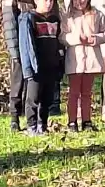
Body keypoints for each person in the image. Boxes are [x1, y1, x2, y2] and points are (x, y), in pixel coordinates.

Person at [62, 0, 105, 132]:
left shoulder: (97, 14)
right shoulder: (67, 16)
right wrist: (76, 38)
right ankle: (72, 121)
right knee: (74, 93)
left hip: (91, 59)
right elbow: (62, 36)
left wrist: (95, 38)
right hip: (75, 60)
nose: (80, 2)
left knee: (86, 93)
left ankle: (87, 121)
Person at [19, 0, 64, 135]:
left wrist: (60, 62)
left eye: (51, 1)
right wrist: (29, 68)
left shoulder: (55, 20)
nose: (48, 3)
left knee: (47, 99)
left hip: (52, 65)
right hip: (36, 67)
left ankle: (42, 125)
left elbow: (59, 43)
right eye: (45, 0)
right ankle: (31, 126)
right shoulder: (29, 19)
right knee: (33, 98)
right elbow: (26, 45)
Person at [2, 0, 37, 132]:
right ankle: (14, 117)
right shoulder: (10, 3)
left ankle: (32, 116)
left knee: (32, 83)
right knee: (17, 83)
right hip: (18, 47)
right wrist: (15, 52)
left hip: (31, 46)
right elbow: (9, 26)